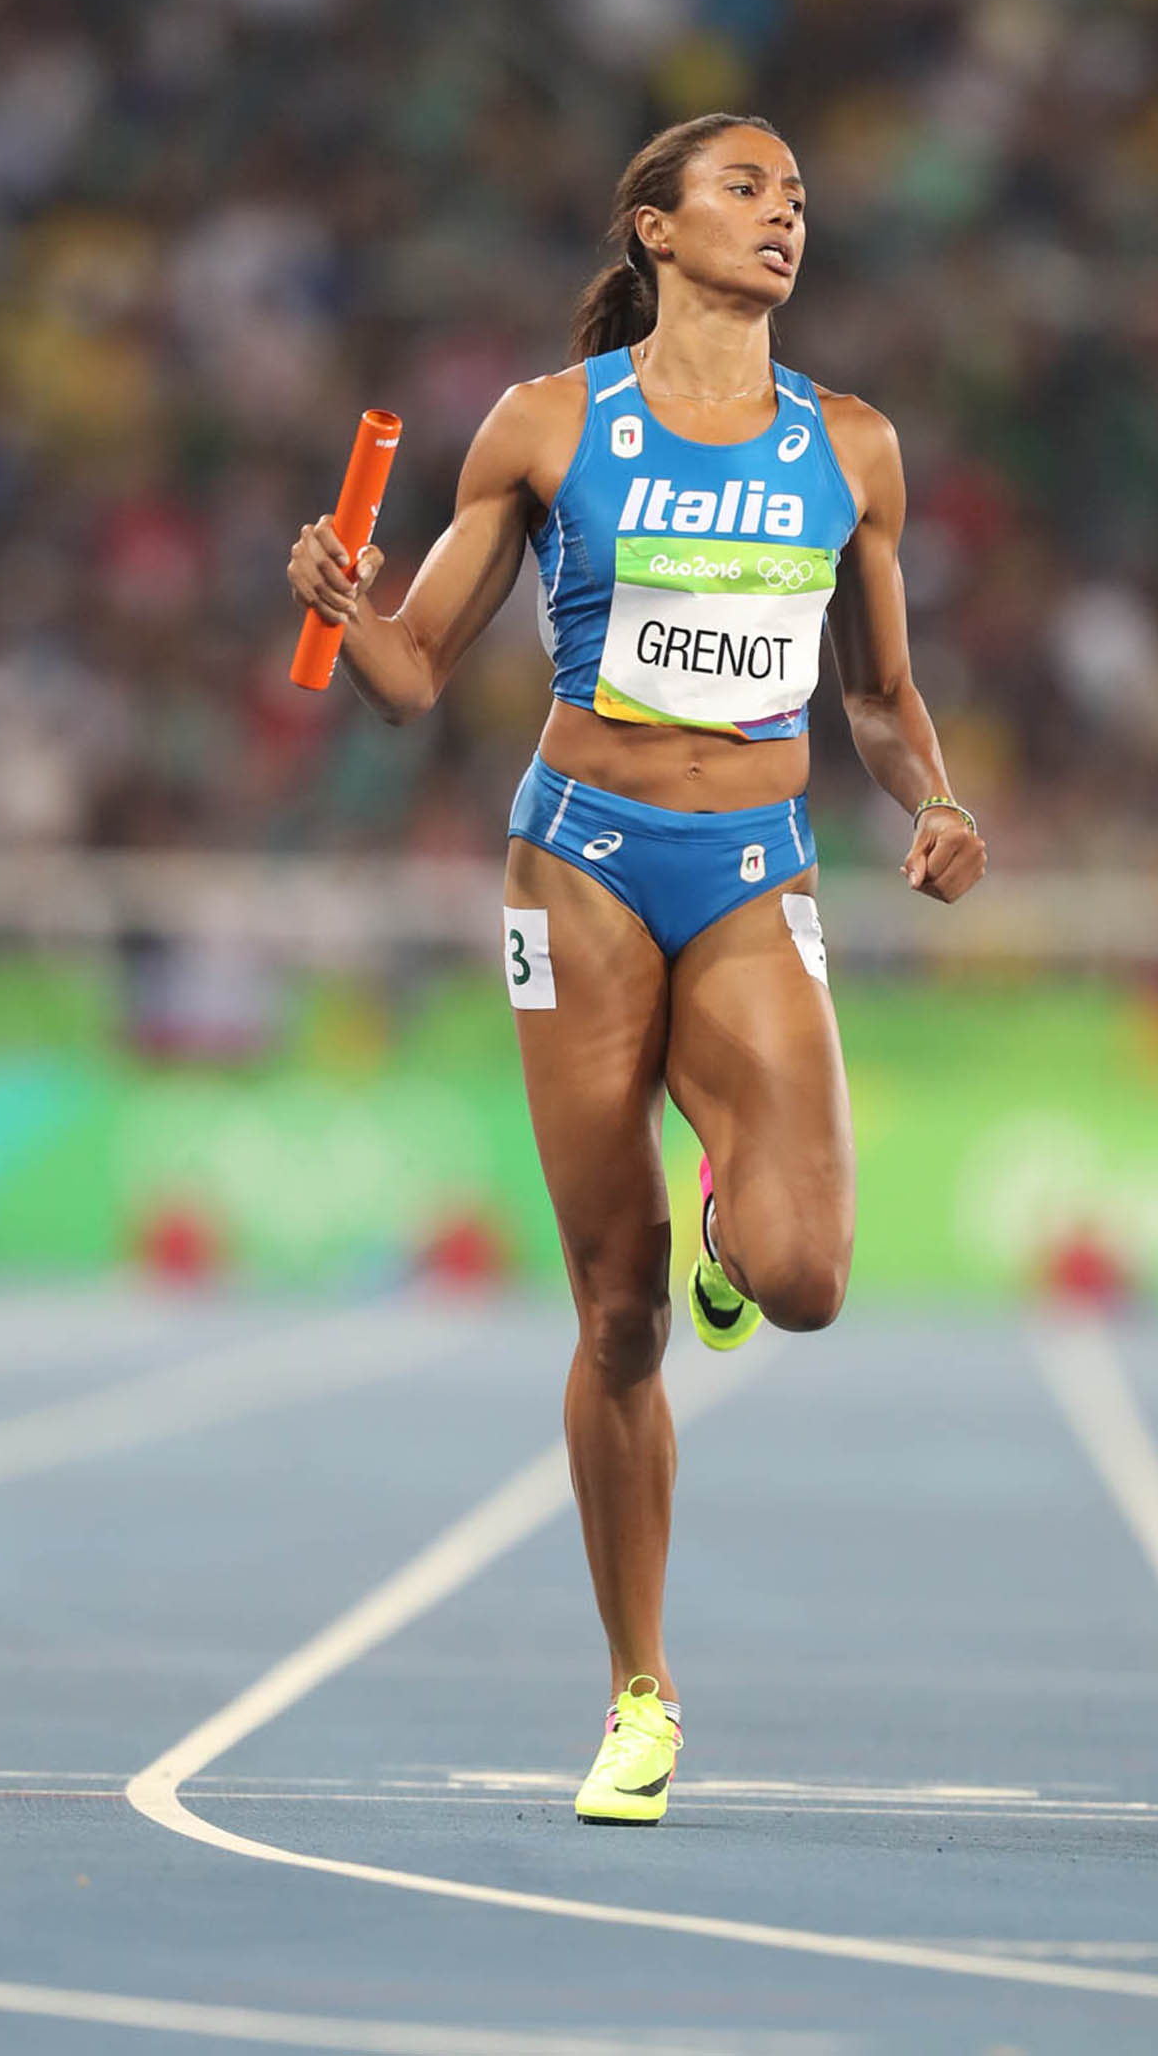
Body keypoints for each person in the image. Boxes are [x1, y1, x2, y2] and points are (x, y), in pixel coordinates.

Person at [288, 112, 985, 1820]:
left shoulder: (852, 446)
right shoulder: (547, 426)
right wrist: (341, 601)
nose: (782, 214)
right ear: (655, 229)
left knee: (803, 1277)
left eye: (796, 196)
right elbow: (410, 671)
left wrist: (936, 798)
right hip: (577, 863)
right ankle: (639, 1692)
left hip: (750, 867)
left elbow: (877, 695)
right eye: (745, 188)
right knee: (617, 1310)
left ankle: (739, 1230)